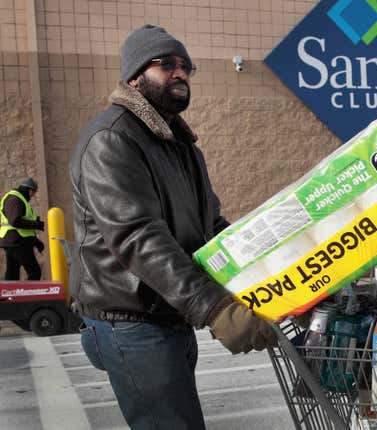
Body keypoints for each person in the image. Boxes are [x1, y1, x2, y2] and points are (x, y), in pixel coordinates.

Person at [68, 25, 276, 430]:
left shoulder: (181, 147)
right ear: (134, 76)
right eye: (167, 64)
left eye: (186, 66)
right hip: (131, 324)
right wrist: (215, 308)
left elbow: (210, 227)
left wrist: (269, 274)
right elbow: (138, 237)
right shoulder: (112, 140)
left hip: (168, 317)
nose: (180, 73)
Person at [0, 177, 45, 280]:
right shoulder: (15, 199)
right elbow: (15, 221)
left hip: (15, 241)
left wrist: (36, 242)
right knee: (34, 272)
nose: (33, 196)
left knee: (12, 275)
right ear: (29, 190)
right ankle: (30, 295)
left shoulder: (20, 200)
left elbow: (24, 229)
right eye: (33, 193)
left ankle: (9, 295)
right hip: (17, 242)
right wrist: (36, 224)